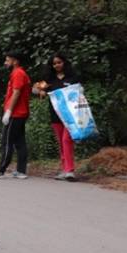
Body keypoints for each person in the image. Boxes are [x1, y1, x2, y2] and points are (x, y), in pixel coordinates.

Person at [0, 52, 32, 180]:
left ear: (15, 61)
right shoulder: (20, 73)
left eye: (7, 60)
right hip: (21, 113)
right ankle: (21, 171)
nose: (5, 63)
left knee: (6, 141)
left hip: (16, 113)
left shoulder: (18, 73)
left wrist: (9, 111)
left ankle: (0, 170)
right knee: (20, 142)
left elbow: (16, 93)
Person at [35, 53, 80, 181]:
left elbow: (79, 91)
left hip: (70, 114)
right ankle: (64, 169)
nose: (57, 65)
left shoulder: (72, 77)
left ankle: (70, 170)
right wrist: (41, 90)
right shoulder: (50, 79)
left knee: (67, 140)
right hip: (55, 114)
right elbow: (35, 89)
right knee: (61, 142)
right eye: (54, 63)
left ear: (64, 62)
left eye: (59, 62)